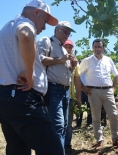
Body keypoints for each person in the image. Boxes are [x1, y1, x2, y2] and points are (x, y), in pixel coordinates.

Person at [0, 0, 64, 154]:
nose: (44, 27)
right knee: (53, 150)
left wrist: (6, 80)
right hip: (23, 99)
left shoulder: (6, 27)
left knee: (18, 149)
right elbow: (25, 35)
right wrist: (29, 74)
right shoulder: (25, 23)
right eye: (45, 21)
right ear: (36, 12)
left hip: (4, 97)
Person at [37, 20, 76, 154]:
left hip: (65, 91)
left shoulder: (64, 48)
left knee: (64, 126)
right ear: (57, 29)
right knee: (58, 126)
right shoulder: (47, 41)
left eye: (69, 33)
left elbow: (65, 72)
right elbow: (40, 59)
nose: (67, 35)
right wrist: (62, 59)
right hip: (53, 90)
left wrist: (72, 66)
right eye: (65, 31)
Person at [78, 39, 118, 149]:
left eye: (99, 47)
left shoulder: (108, 60)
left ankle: (115, 139)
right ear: (92, 48)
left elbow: (116, 75)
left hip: (107, 91)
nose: (97, 49)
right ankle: (99, 140)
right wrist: (83, 88)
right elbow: (77, 75)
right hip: (93, 91)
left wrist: (114, 88)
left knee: (113, 115)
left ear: (103, 48)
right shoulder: (87, 61)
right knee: (96, 117)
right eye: (95, 47)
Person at [63, 39, 81, 151]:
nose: (68, 49)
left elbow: (77, 80)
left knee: (69, 123)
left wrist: (78, 97)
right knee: (59, 123)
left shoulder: (75, 62)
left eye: (70, 47)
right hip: (58, 96)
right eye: (66, 47)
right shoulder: (57, 60)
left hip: (70, 97)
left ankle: (67, 145)